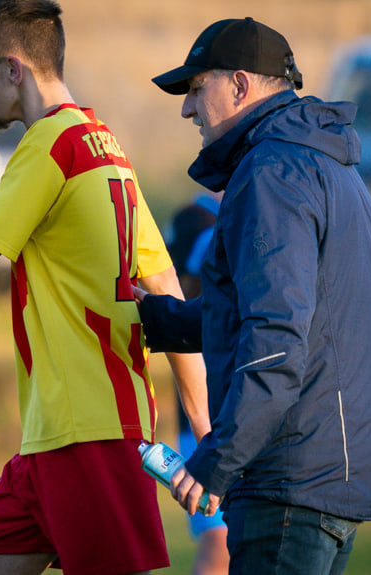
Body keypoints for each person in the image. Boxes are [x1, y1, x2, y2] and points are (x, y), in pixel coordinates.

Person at [0, 2, 210, 574]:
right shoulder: (105, 146)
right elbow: (165, 285)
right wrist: (203, 431)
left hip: (90, 437)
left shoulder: (49, 147)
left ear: (13, 69)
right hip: (52, 439)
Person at [136, 17, 371, 575]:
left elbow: (275, 341)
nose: (186, 109)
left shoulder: (271, 171)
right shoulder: (328, 162)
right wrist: (158, 322)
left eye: (195, 87)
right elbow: (286, 315)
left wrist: (215, 462)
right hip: (330, 476)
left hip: (288, 481)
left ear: (239, 84)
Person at [164, 193, 229, 575]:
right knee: (218, 540)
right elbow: (181, 291)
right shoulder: (198, 218)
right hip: (203, 404)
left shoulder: (249, 207)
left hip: (239, 404)